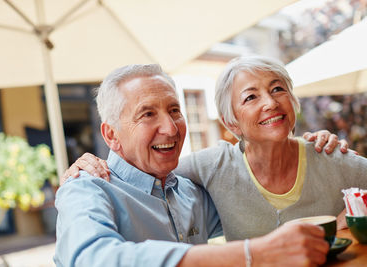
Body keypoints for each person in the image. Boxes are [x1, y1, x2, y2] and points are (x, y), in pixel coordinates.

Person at [62, 56, 365, 242]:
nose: (270, 103)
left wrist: (346, 219)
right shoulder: (89, 189)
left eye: (278, 89)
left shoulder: (189, 193)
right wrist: (85, 167)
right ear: (230, 123)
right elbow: (94, 255)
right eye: (251, 98)